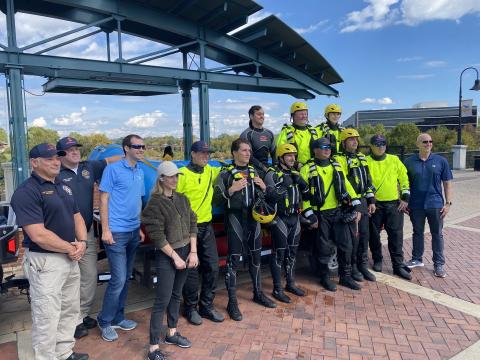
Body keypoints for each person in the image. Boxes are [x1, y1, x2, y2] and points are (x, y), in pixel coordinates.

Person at [11, 143, 89, 360]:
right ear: (34, 163)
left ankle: (64, 352)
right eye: (49, 159)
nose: (56, 161)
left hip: (70, 257)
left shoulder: (63, 186)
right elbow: (38, 234)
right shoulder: (26, 192)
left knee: (69, 310)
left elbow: (77, 217)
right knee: (47, 316)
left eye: (58, 157)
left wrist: (82, 241)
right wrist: (71, 248)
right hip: (46, 262)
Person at [213, 138, 276, 321]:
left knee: (256, 258)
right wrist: (231, 190)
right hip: (235, 219)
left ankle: (258, 293)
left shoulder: (253, 171)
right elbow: (216, 200)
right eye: (244, 150)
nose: (248, 153)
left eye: (249, 150)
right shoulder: (225, 174)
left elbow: (264, 198)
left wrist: (263, 187)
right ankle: (232, 303)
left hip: (253, 220)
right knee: (233, 261)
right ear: (234, 152)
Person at [142, 161, 198, 360]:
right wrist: (174, 257)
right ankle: (153, 348)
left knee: (176, 295)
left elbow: (193, 224)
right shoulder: (154, 203)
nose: (174, 179)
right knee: (162, 300)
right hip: (167, 255)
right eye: (170, 176)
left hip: (185, 252)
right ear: (161, 179)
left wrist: (193, 252)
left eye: (176, 176)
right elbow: (157, 236)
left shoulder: (183, 198)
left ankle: (171, 333)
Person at [56, 137, 107, 339]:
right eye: (69, 150)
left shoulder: (89, 167)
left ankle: (81, 314)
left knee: (88, 276)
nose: (75, 152)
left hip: (86, 232)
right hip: (63, 235)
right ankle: (71, 321)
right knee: (68, 280)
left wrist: (135, 151)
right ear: (60, 155)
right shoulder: (54, 173)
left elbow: (111, 161)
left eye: (77, 148)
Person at [97, 134, 146, 341]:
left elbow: (137, 201)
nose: (141, 150)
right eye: (137, 146)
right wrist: (105, 229)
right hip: (116, 232)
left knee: (126, 277)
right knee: (118, 279)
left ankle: (118, 317)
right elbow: (103, 199)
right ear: (126, 148)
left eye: (143, 146)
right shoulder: (112, 169)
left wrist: (140, 228)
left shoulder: (140, 171)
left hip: (134, 231)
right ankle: (104, 320)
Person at [300, 137, 362, 291]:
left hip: (338, 211)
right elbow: (303, 195)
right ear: (315, 150)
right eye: (323, 147)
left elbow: (346, 184)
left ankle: (345, 277)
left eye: (328, 147)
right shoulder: (307, 169)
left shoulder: (337, 165)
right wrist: (310, 215)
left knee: (346, 245)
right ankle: (325, 278)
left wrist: (357, 204)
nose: (327, 150)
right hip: (320, 214)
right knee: (323, 248)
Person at [178, 141, 224, 325]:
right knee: (191, 270)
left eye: (208, 154)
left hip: (206, 226)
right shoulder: (182, 175)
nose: (206, 156)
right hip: (187, 228)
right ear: (193, 153)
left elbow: (231, 171)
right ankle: (190, 308)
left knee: (213, 267)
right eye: (203, 153)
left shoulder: (211, 171)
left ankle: (206, 305)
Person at [264, 144, 310, 303]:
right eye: (289, 155)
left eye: (294, 155)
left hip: (295, 218)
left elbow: (308, 195)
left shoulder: (296, 173)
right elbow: (268, 197)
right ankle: (277, 288)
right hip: (280, 219)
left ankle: (290, 283)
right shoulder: (272, 174)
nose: (292, 158)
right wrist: (283, 184)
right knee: (279, 254)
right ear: (281, 157)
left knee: (292, 253)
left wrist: (303, 183)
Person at [404, 133, 453, 278]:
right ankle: (417, 259)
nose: (428, 144)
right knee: (417, 232)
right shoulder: (408, 162)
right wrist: (404, 200)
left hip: (435, 204)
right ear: (418, 144)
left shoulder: (441, 161)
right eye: (425, 141)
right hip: (415, 204)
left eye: (430, 141)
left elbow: (447, 183)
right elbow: (402, 183)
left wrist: (448, 203)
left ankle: (439, 264)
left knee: (437, 234)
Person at [366, 134, 412, 280]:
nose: (380, 147)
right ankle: (377, 259)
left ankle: (397, 265)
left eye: (383, 144)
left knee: (396, 236)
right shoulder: (365, 161)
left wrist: (405, 197)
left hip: (393, 204)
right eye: (377, 144)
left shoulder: (394, 159)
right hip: (375, 205)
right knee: (373, 235)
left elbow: (404, 177)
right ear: (371, 146)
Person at [334, 128, 376, 282]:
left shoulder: (362, 157)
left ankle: (362, 265)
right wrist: (355, 204)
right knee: (353, 238)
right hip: (349, 203)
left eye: (356, 139)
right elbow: (343, 181)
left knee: (364, 235)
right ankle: (352, 267)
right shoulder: (338, 159)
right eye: (351, 139)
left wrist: (371, 200)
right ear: (343, 142)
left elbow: (368, 180)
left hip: (363, 201)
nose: (354, 142)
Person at [276, 101, 320, 168]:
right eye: (301, 114)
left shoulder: (313, 131)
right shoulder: (286, 131)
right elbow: (279, 152)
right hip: (293, 169)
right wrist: (296, 164)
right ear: (293, 116)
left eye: (305, 114)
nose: (304, 116)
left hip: (312, 168)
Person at [240, 105, 276, 178]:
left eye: (263, 114)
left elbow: (274, 153)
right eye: (259, 114)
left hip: (267, 169)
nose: (262, 116)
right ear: (251, 116)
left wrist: (275, 167)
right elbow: (248, 156)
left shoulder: (269, 133)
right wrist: (264, 168)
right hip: (251, 171)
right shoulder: (247, 134)